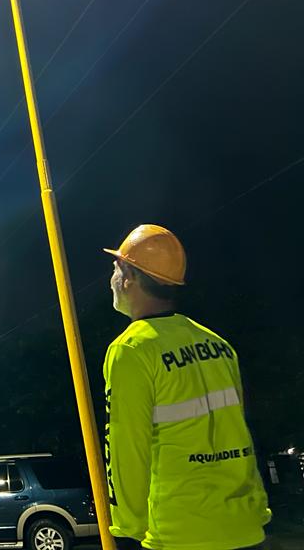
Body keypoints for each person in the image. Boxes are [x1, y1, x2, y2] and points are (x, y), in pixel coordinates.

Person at [103, 224, 271, 550]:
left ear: (130, 277)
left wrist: (128, 528)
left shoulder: (131, 350)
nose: (111, 278)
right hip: (246, 525)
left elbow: (126, 448)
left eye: (115, 267)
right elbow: (241, 433)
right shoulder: (217, 344)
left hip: (180, 533)